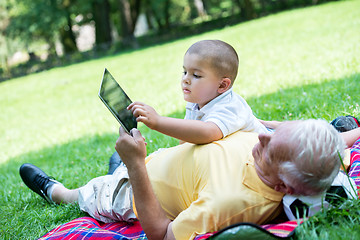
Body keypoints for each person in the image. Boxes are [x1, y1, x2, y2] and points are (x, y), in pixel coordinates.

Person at [20, 119, 351, 240]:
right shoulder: (300, 155)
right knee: (121, 159)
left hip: (131, 192)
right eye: (273, 134)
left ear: (282, 187)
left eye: (269, 150)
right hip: (161, 161)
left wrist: (135, 165)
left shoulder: (230, 203)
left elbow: (162, 234)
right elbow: (334, 149)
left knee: (85, 193)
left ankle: (55, 190)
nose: (260, 139)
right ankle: (120, 162)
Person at [128, 40, 268, 145]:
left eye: (196, 75)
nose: (185, 80)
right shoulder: (196, 103)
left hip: (264, 157)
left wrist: (159, 122)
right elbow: (185, 141)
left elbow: (207, 132)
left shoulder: (230, 107)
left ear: (222, 85)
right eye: (185, 72)